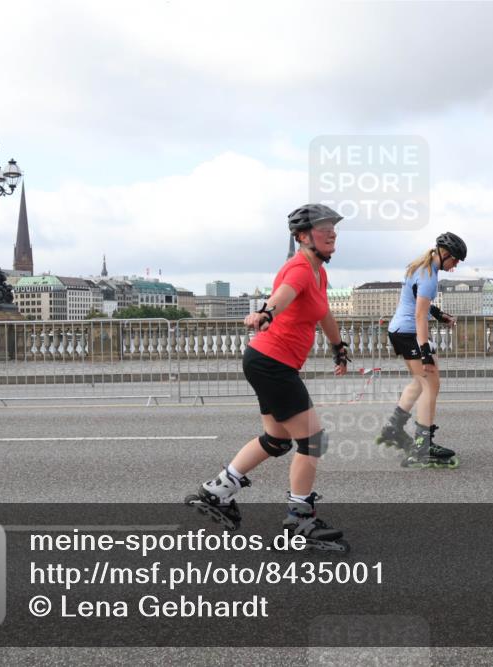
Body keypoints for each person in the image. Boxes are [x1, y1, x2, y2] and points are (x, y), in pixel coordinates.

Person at [185, 204, 350, 549]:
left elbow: (324, 313)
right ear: (302, 236)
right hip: (271, 362)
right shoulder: (299, 268)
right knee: (313, 441)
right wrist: (265, 313)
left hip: (267, 361)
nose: (332, 232)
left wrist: (338, 346)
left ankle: (217, 491)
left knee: (277, 440)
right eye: (324, 228)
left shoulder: (319, 273)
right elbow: (283, 295)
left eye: (333, 227)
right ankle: (300, 519)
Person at [376, 232, 467, 468]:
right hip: (409, 332)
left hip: (399, 331)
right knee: (430, 385)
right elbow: (419, 315)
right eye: (455, 260)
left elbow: (418, 301)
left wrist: (439, 314)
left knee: (420, 382)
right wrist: (425, 352)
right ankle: (422, 445)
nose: (456, 265)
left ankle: (394, 428)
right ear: (444, 254)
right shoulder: (429, 276)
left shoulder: (421, 268)